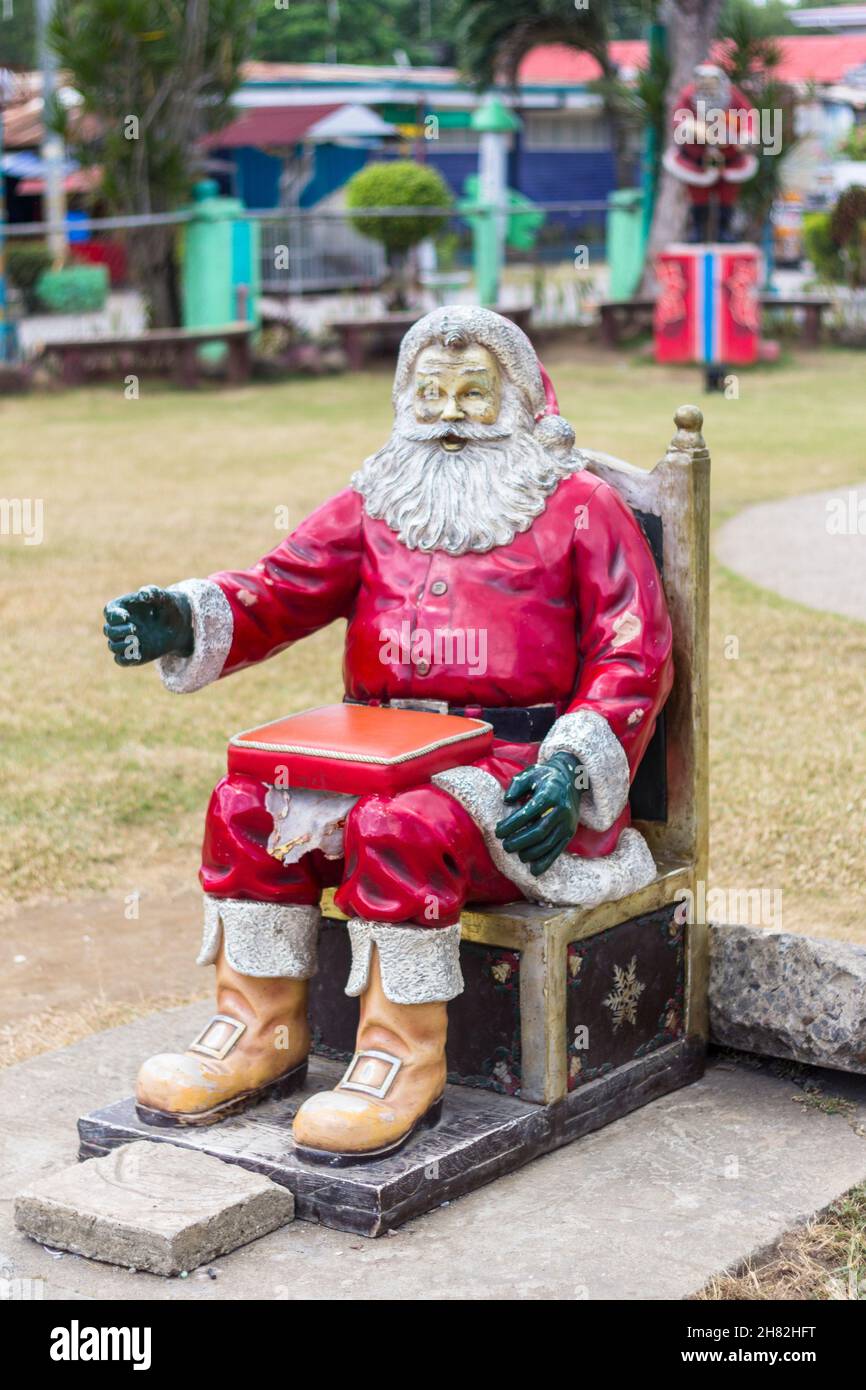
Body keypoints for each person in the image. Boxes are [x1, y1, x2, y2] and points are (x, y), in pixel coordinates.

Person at [103, 307, 673, 1163]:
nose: (449, 413)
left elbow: (635, 652)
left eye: (474, 395)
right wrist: (185, 617)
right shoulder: (377, 501)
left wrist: (568, 769)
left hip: (503, 775)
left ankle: (399, 1058)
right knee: (247, 807)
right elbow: (280, 587)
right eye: (432, 391)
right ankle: (256, 1030)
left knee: (396, 828)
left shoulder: (581, 509)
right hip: (366, 755)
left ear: (519, 399)